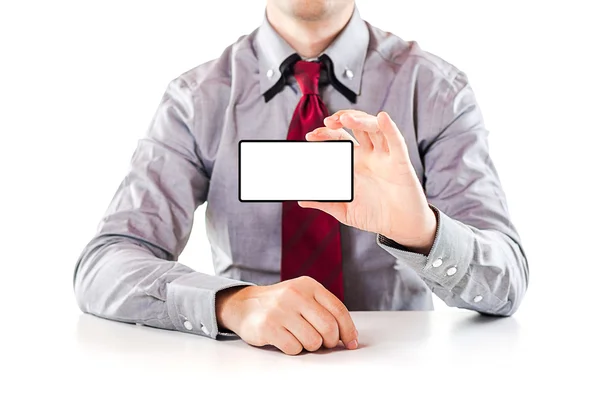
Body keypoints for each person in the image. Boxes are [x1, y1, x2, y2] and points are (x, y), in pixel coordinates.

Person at [73, 0, 529, 355]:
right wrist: (231, 303)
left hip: (404, 372)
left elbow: (507, 282)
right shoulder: (196, 102)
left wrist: (421, 231)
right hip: (243, 370)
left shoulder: (436, 92)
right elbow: (105, 265)